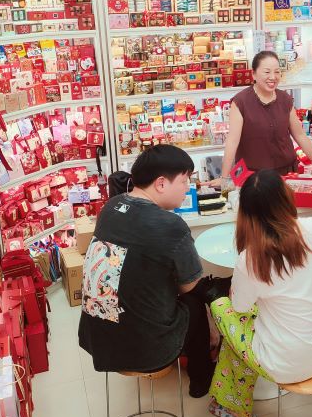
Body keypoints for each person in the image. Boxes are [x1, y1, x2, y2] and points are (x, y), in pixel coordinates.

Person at [78, 144, 216, 398]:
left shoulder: (111, 206)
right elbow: (190, 285)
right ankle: (201, 379)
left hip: (96, 338)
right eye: (184, 180)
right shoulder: (170, 225)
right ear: (161, 183)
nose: (188, 188)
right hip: (145, 351)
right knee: (195, 303)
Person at [205, 170, 312, 417]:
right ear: (286, 196)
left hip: (284, 362)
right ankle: (231, 402)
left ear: (246, 213)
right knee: (247, 327)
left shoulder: (250, 258)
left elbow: (239, 307)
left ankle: (234, 405)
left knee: (221, 307)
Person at [209, 51, 312, 185]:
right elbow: (232, 142)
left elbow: (300, 135)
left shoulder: (285, 99)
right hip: (253, 177)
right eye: (267, 72)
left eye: (277, 72)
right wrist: (224, 178)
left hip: (286, 173)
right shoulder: (241, 102)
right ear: (254, 74)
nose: (273, 77)